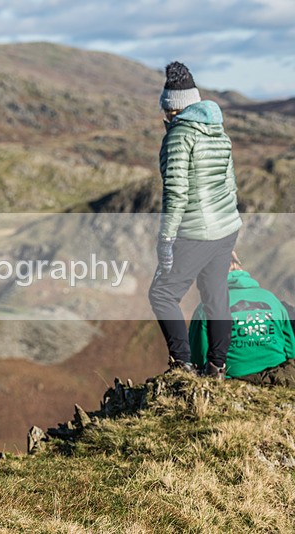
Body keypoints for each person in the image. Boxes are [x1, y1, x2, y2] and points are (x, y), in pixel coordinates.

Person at [148, 62, 242, 379]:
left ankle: (183, 366)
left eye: (167, 110)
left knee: (162, 294)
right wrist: (228, 239)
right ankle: (216, 368)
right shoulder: (218, 131)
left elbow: (175, 194)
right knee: (216, 297)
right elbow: (230, 185)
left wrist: (165, 241)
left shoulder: (179, 137)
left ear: (173, 109)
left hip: (196, 230)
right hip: (225, 228)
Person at [189, 253, 295, 385]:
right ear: (239, 267)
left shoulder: (206, 307)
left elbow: (197, 357)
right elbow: (291, 349)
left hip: (236, 380)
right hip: (278, 378)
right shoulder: (272, 299)